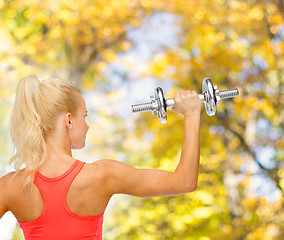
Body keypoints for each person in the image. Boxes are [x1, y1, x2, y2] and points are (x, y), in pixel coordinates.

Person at [0, 75, 201, 240]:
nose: (87, 125)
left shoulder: (11, 186)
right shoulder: (102, 175)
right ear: (69, 120)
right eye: (84, 116)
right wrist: (192, 114)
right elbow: (184, 182)